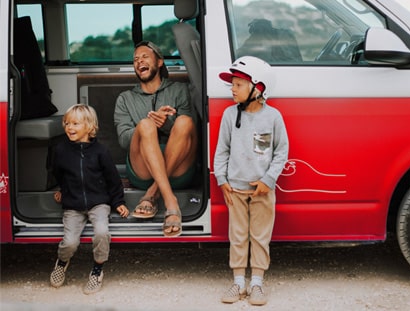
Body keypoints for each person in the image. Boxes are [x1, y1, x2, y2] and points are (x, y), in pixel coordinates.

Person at [214, 56, 289, 306]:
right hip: (235, 188)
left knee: (259, 236)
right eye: (232, 84)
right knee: (237, 236)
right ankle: (238, 282)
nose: (232, 89)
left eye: (238, 85)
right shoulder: (228, 115)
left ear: (258, 88)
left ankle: (256, 283)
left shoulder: (273, 117)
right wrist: (222, 179)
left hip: (262, 191)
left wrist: (268, 179)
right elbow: (221, 149)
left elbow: (281, 152)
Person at [114, 41, 198, 237]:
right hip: (142, 171)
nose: (139, 61)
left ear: (159, 62)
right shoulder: (125, 98)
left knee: (185, 121)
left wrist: (167, 124)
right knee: (145, 125)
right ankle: (171, 203)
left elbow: (192, 133)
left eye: (144, 57)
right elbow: (124, 141)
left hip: (179, 169)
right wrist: (149, 124)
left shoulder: (179, 90)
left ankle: (152, 193)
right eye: (135, 59)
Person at [50, 104, 129, 295]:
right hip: (73, 205)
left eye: (75, 123)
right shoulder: (61, 151)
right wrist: (62, 189)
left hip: (98, 203)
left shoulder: (100, 151)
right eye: (67, 123)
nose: (70, 127)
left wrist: (118, 202)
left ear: (89, 126)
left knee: (102, 233)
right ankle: (62, 262)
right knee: (70, 242)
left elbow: (113, 179)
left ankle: (97, 269)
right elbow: (58, 173)